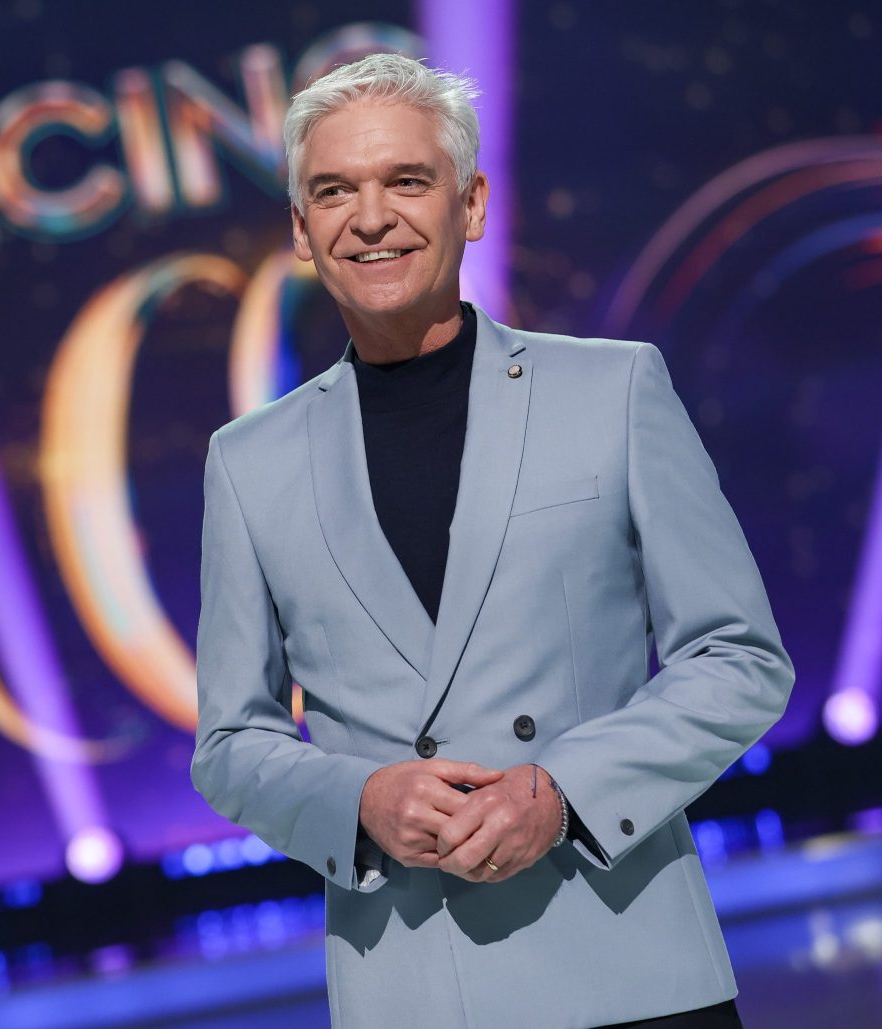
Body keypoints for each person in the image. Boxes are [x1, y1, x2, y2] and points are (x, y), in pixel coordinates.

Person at [191, 52, 793, 1029]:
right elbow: (229, 742)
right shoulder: (249, 461)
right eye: (335, 190)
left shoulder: (613, 392)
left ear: (471, 205)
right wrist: (357, 803)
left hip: (629, 966)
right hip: (417, 991)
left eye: (407, 182)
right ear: (303, 230)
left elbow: (739, 661)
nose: (372, 216)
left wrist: (563, 793)